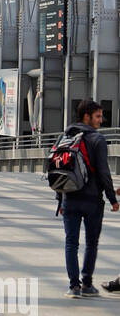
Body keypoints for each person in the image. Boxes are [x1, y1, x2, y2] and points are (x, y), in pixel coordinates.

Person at [55, 98, 118, 297]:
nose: (101, 120)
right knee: (91, 243)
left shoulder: (65, 136)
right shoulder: (97, 140)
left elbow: (57, 169)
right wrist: (113, 199)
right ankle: (87, 284)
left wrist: (60, 199)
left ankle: (73, 286)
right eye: (98, 116)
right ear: (86, 116)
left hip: (70, 198)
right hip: (92, 200)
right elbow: (103, 173)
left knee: (71, 243)